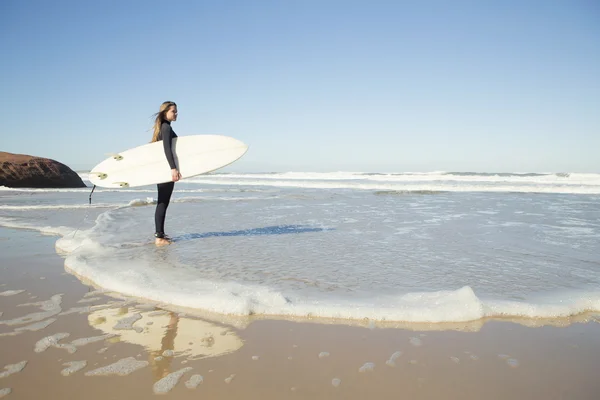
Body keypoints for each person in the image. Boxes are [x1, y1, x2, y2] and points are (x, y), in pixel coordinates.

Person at [150, 101, 182, 246]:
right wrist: (173, 168)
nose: (176, 113)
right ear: (165, 112)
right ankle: (159, 238)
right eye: (173, 111)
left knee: (162, 202)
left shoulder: (162, 128)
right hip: (166, 170)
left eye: (176, 111)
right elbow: (167, 150)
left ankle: (160, 234)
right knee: (163, 202)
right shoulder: (166, 127)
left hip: (162, 170)